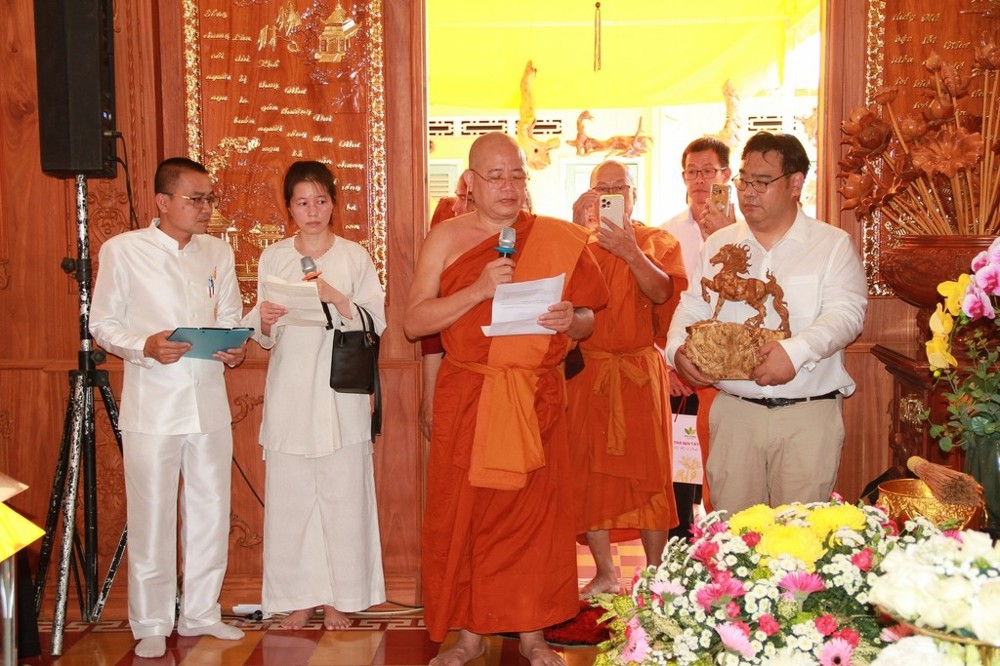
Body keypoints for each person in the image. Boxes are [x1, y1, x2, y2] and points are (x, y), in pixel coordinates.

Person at [404, 132, 608, 666]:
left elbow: (588, 318)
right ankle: (469, 636)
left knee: (533, 522)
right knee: (470, 517)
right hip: (469, 398)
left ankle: (533, 635)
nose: (509, 186)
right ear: (470, 182)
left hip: (535, 399)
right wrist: (477, 290)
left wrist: (571, 320)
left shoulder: (555, 237)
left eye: (517, 175)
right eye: (496, 176)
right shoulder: (446, 238)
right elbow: (414, 321)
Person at [90, 157, 247, 659]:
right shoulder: (123, 251)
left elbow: (229, 314)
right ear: (163, 202)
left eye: (209, 199)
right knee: (153, 514)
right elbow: (103, 324)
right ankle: (152, 620)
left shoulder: (217, 252)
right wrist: (144, 345)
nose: (205, 209)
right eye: (195, 199)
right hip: (154, 405)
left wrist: (235, 346)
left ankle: (201, 611)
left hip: (208, 401)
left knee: (210, 510)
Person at [665, 132, 868, 514]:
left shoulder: (831, 245)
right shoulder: (719, 244)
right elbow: (691, 305)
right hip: (734, 413)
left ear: (796, 183)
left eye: (762, 182)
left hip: (807, 415)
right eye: (744, 181)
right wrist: (677, 351)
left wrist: (794, 353)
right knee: (733, 534)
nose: (748, 193)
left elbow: (847, 314)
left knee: (801, 535)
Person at [243, 161, 386, 630]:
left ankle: (340, 598)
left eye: (321, 201)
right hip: (291, 389)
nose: (312, 211)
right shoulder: (274, 257)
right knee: (292, 502)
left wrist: (337, 297)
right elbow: (263, 335)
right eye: (302, 202)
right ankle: (299, 599)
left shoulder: (354, 256)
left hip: (340, 392)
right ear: (289, 207)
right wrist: (264, 319)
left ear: (333, 204)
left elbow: (376, 322)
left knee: (343, 499)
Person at [567, 160, 687, 597]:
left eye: (621, 187)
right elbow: (562, 292)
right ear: (591, 195)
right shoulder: (576, 240)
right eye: (604, 188)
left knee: (651, 474)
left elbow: (662, 293)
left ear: (634, 194)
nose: (613, 195)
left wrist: (631, 251)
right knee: (591, 473)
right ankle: (605, 572)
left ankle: (654, 571)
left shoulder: (657, 241)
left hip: (639, 372)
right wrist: (574, 229)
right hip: (591, 371)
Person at [659, 136, 737, 525]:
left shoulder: (746, 231)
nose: (700, 180)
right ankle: (684, 546)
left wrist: (725, 234)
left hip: (733, 368)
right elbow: (659, 305)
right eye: (692, 172)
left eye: (709, 171)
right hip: (681, 365)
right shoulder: (666, 233)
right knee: (681, 471)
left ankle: (726, 539)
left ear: (727, 174)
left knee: (727, 466)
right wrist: (669, 363)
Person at [420, 176, 477, 439]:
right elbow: (428, 330)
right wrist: (429, 397)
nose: (455, 207)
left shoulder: (520, 239)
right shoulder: (444, 241)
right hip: (457, 376)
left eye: (464, 199)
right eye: (458, 197)